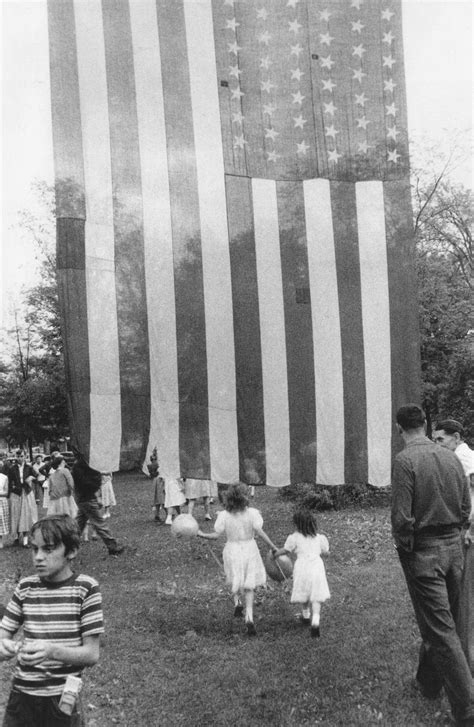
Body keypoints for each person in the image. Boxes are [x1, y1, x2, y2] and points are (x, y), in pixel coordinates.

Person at [391, 404, 474, 727]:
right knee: (446, 620)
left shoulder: (405, 460)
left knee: (440, 628)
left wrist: (406, 547)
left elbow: (402, 518)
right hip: (455, 548)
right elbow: (467, 505)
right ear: (424, 424)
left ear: (400, 429)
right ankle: (428, 681)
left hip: (424, 552)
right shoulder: (451, 456)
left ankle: (467, 708)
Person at [0, 514, 103, 726]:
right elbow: (2, 636)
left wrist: (51, 651)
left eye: (48, 549)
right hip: (22, 698)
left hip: (62, 700)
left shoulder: (85, 589)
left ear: (71, 551)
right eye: (34, 549)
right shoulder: (25, 588)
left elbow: (91, 654)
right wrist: (4, 647)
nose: (38, 556)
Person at [197, 483, 277, 636]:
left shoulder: (224, 516)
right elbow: (260, 532)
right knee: (249, 585)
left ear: (229, 498)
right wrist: (273, 547)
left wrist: (201, 534)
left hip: (232, 550)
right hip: (250, 549)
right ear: (245, 498)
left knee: (235, 577)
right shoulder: (252, 514)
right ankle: (249, 617)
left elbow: (215, 535)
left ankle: (237, 602)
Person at [274, 509, 330, 638]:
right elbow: (326, 552)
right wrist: (326, 553)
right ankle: (315, 621)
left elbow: (286, 551)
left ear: (297, 524)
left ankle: (306, 616)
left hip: (302, 567)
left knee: (305, 591)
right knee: (316, 595)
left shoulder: (294, 538)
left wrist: (275, 554)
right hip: (316, 566)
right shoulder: (319, 538)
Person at [72, 453, 124, 556]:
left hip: (84, 498)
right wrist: (96, 480)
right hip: (86, 498)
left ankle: (67, 545)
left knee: (79, 524)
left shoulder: (81, 466)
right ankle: (113, 546)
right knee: (99, 522)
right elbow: (88, 483)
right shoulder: (81, 467)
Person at [8, 451, 37, 547]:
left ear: (25, 457)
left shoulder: (29, 468)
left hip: (26, 492)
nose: (19, 458)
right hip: (16, 493)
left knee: (26, 515)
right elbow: (9, 482)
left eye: (21, 456)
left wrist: (31, 478)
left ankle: (25, 540)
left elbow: (37, 477)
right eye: (18, 456)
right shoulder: (12, 469)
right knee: (16, 515)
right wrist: (12, 489)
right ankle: (16, 537)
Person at [0, 461, 9, 549]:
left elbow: (6, 492)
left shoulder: (4, 477)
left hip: (1, 501)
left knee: (0, 521)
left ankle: (0, 541)